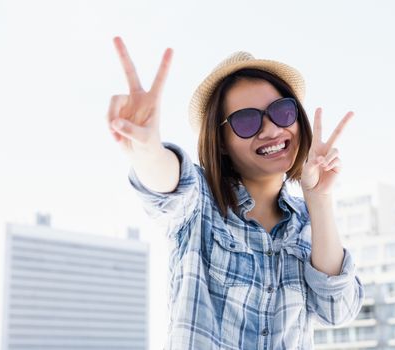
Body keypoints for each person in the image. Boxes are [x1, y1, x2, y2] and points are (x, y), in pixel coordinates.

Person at [107, 36, 364, 349]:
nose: (271, 130)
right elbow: (165, 185)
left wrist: (320, 199)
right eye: (246, 121)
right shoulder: (200, 201)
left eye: (282, 111)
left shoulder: (309, 222)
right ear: (221, 143)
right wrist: (146, 149)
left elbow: (338, 310)